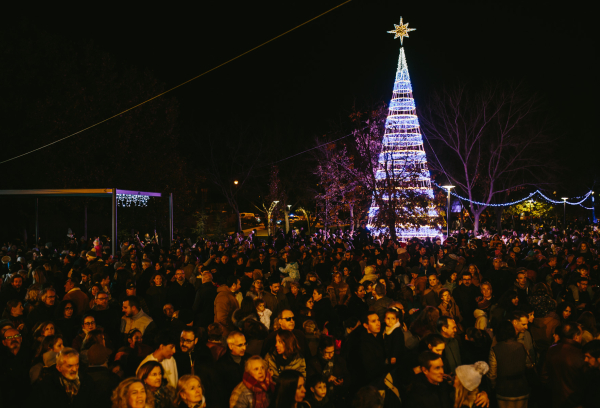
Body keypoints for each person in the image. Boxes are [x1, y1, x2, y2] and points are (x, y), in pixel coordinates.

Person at [29, 347, 95, 408]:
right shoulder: (47, 385)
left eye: (77, 364)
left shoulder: (87, 381)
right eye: (70, 366)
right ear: (59, 368)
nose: (75, 369)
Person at [541, 322, 585, 408]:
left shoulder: (552, 350)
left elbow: (544, 376)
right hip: (575, 401)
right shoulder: (580, 354)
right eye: (580, 335)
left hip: (555, 399)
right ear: (576, 336)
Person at [487, 321, 530, 408]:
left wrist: (493, 386)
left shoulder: (495, 349)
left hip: (504, 389)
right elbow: (528, 365)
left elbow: (492, 374)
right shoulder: (522, 346)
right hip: (522, 387)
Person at [0, 327, 31, 407]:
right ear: (4, 342)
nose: (13, 339)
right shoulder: (2, 359)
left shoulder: (31, 356)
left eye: (16, 336)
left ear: (21, 338)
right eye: (9, 337)